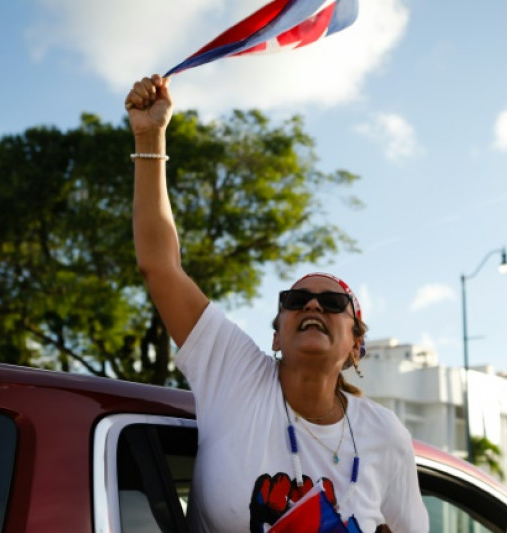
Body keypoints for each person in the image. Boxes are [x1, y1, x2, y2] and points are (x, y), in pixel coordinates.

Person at [126, 74, 428, 532]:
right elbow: (160, 267)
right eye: (296, 300)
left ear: (356, 347)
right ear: (275, 333)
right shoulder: (235, 374)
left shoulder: (385, 435)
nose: (312, 307)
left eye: (331, 302)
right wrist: (150, 137)